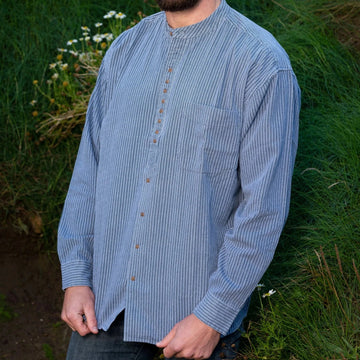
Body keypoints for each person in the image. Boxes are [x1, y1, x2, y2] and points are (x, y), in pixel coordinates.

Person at [58, 0, 301, 358]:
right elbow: (89, 170)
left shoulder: (261, 63)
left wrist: (213, 316)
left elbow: (263, 208)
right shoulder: (125, 49)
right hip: (107, 307)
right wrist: (77, 275)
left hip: (195, 316)